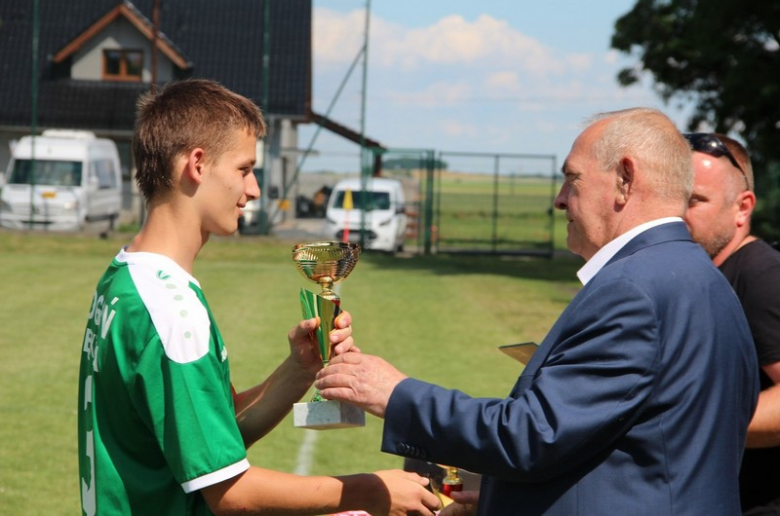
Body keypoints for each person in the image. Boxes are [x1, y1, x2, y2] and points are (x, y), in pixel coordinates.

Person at [314, 108, 760, 515]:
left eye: (573, 179)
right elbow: (631, 447)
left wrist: (393, 393)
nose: (560, 199)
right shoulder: (701, 277)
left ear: (625, 178)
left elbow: (535, 436)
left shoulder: (635, 288)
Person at [76, 79, 440, 516]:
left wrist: (299, 370)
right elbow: (230, 493)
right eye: (244, 169)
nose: (252, 190)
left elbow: (217, 431)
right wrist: (369, 491)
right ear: (197, 163)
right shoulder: (169, 308)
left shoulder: (125, 277)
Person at [683, 132, 780, 514]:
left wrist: (683, 418)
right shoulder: (706, 274)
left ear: (743, 207)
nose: (678, 214)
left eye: (695, 201)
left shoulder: (761, 277)